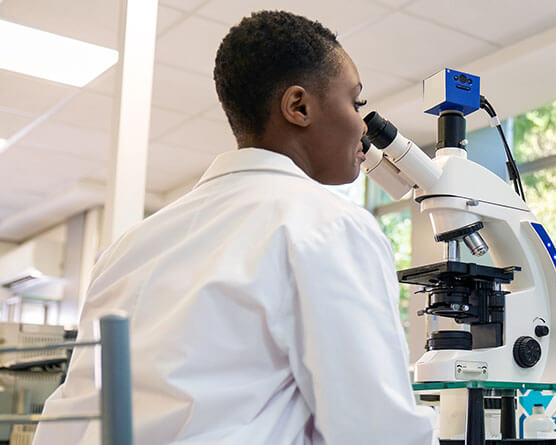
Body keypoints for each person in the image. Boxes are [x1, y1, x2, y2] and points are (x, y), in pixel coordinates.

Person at [33, 10, 437, 445]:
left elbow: (68, 420)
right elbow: (377, 432)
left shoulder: (127, 248)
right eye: (355, 103)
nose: (363, 125)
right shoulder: (329, 226)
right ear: (298, 106)